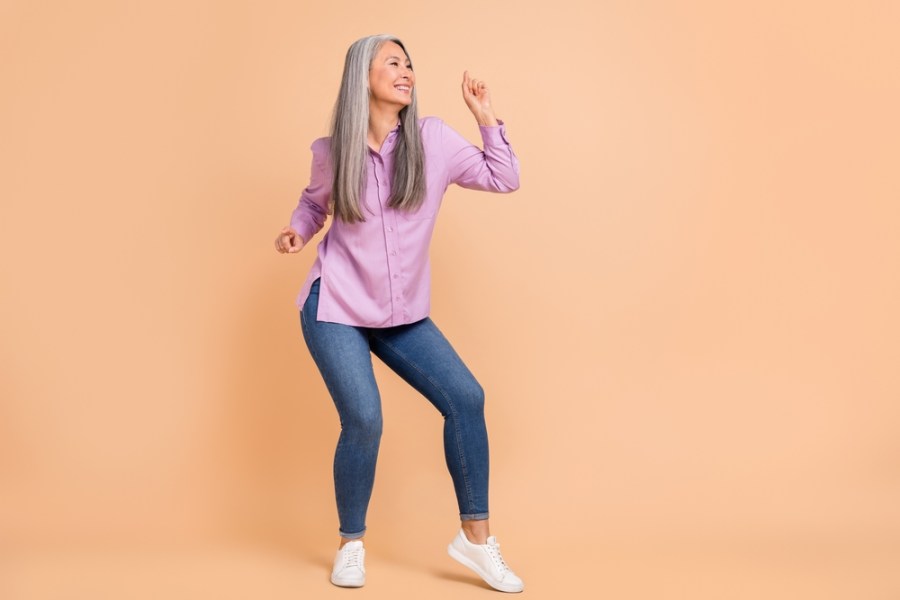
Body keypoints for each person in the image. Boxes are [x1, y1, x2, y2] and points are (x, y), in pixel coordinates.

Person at [274, 34, 523, 593]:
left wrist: (485, 117)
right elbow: (316, 202)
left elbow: (504, 177)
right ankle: (351, 545)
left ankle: (477, 543)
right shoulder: (333, 149)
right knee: (364, 418)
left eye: (410, 63)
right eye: (393, 63)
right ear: (364, 75)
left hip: (401, 313)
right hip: (335, 305)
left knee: (466, 399)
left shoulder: (432, 140)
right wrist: (298, 229)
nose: (407, 71)